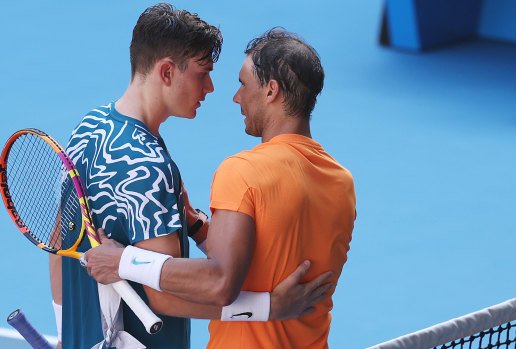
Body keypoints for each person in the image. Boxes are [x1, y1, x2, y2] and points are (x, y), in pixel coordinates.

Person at [50, 5, 334, 349]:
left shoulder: (89, 127)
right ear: (167, 72)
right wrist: (269, 307)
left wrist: (66, 328)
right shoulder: (149, 167)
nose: (211, 87)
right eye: (203, 73)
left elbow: (60, 239)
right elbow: (167, 298)